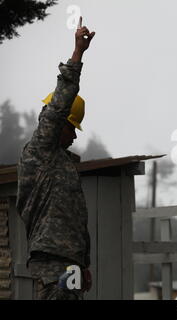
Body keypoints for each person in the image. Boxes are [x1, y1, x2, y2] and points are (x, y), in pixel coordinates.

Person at [16, 17, 95, 300]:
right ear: (58, 122)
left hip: (68, 260)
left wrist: (82, 262)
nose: (74, 136)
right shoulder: (41, 150)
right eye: (72, 127)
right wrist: (77, 54)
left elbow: (74, 216)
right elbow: (59, 105)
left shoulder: (61, 163)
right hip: (52, 260)